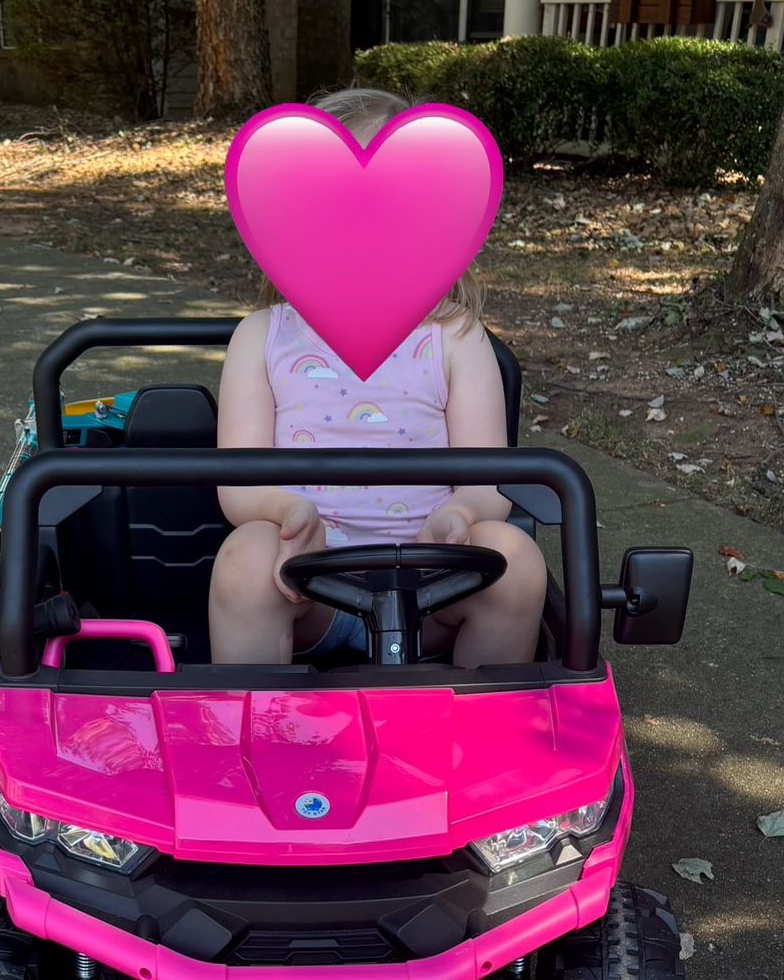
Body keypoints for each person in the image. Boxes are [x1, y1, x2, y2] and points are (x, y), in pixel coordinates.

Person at [207, 87, 548, 670]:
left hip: (433, 582)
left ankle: (486, 726)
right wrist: (287, 513)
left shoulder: (456, 336)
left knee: (516, 559)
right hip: (305, 578)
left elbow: (488, 480)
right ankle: (252, 729)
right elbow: (236, 484)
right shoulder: (261, 337)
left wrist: (460, 518)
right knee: (243, 561)